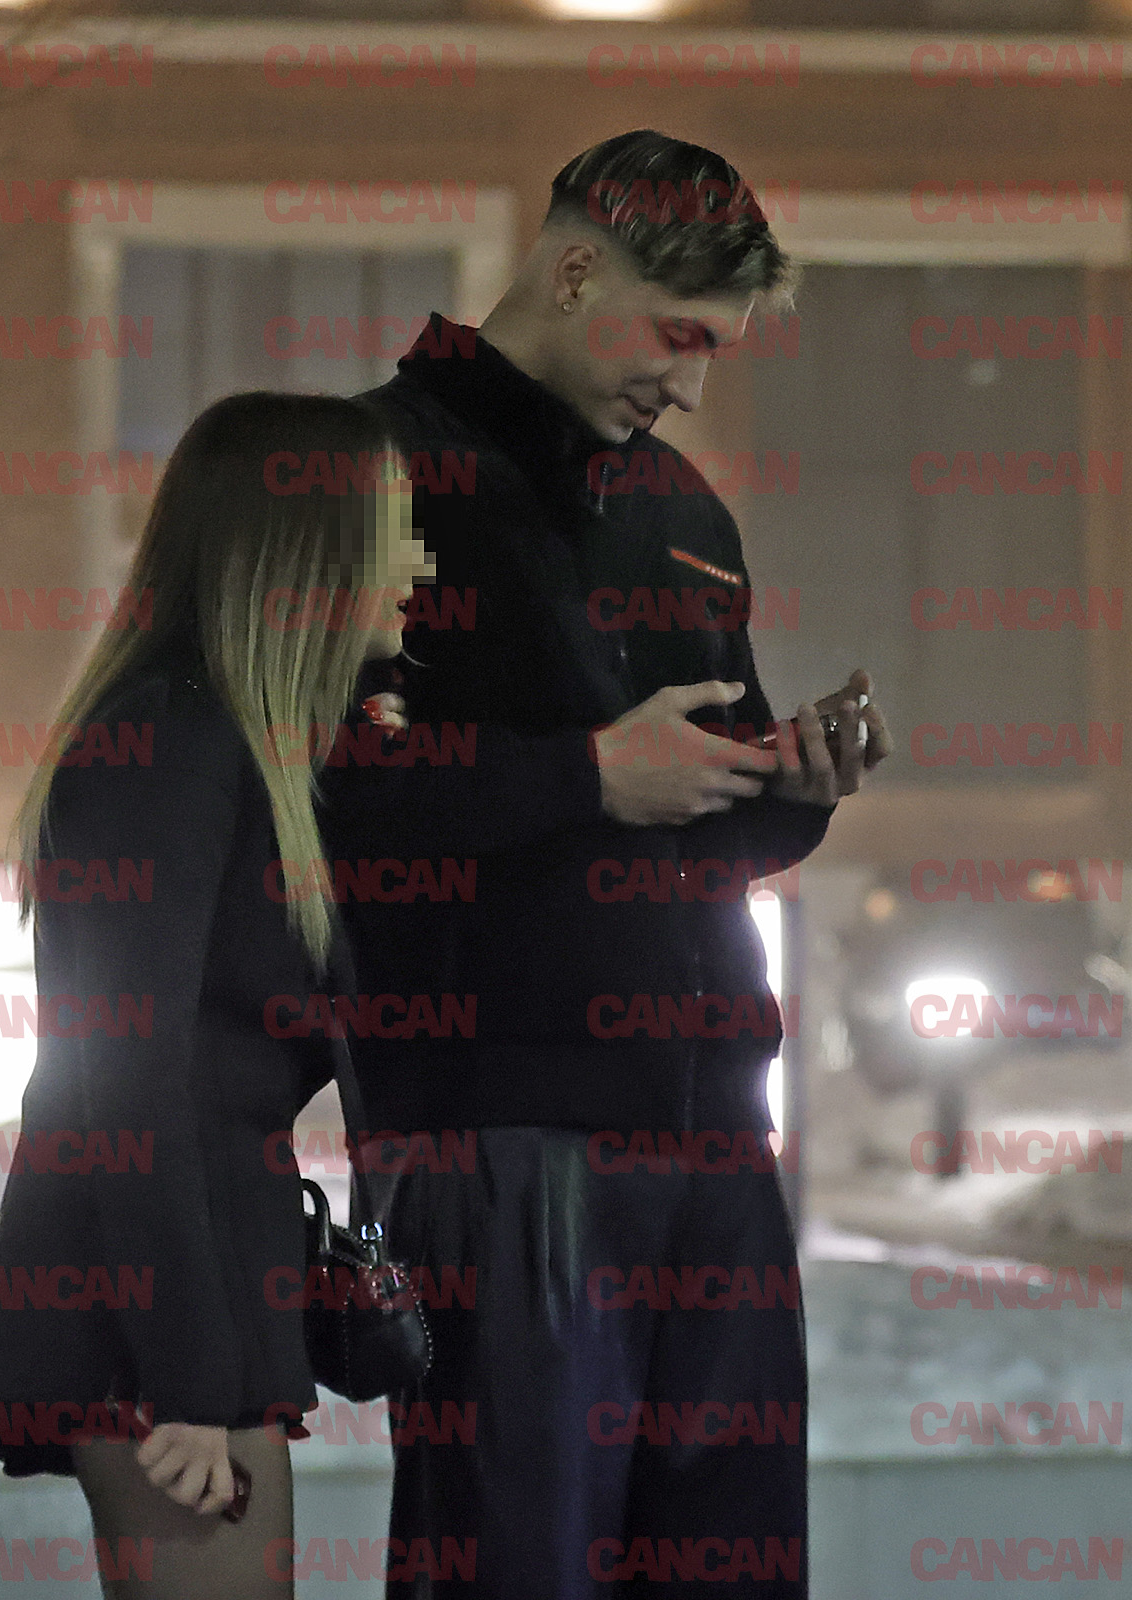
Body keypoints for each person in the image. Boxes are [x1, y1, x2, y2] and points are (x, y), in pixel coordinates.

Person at [316, 130, 894, 1596]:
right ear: (576, 270)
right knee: (519, 1566)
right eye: (680, 335)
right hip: (499, 1138)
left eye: (717, 348)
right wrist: (585, 775)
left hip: (714, 1136)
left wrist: (793, 789)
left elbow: (701, 815)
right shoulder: (365, 474)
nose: (692, 384)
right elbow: (322, 800)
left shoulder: (682, 509)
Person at [0, 391, 433, 1599]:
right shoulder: (171, 739)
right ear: (307, 554)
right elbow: (124, 1081)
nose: (420, 566)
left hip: (206, 1279)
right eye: (394, 532)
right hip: (159, 1304)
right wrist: (193, 1380)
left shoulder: (247, 746)